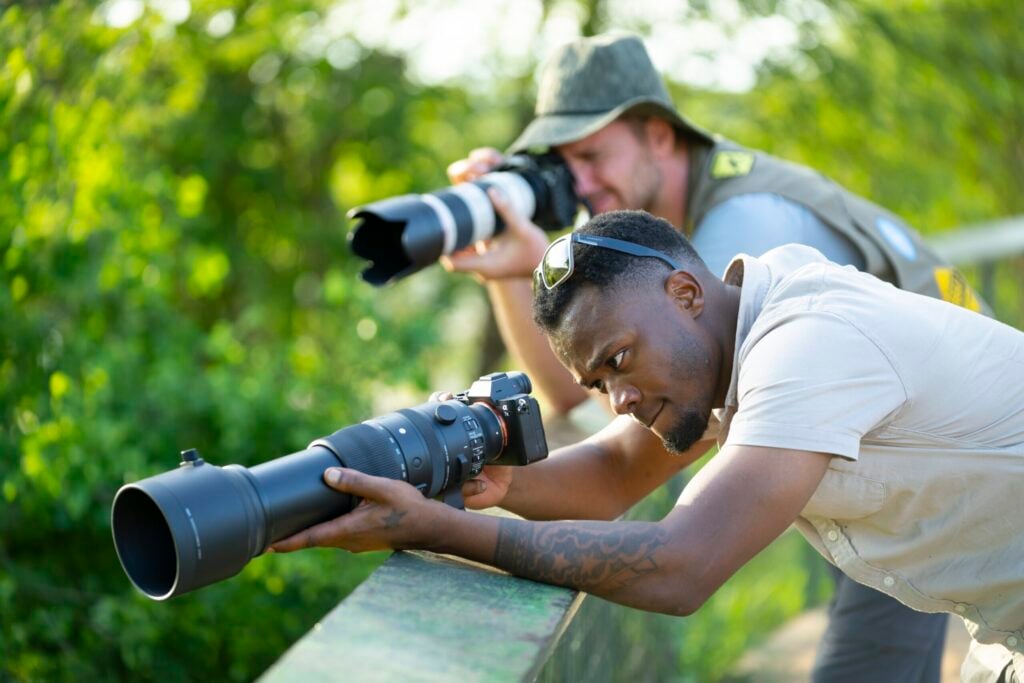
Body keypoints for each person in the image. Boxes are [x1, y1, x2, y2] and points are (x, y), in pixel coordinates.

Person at [439, 32, 988, 682]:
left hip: (945, 472)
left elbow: (637, 481)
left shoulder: (745, 233)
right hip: (891, 471)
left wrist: (440, 524)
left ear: (659, 135)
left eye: (591, 154)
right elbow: (574, 400)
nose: (581, 184)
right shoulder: (668, 262)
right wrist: (511, 269)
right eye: (564, 166)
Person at [271, 211, 1024, 683]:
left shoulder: (808, 343)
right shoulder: (728, 343)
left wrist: (443, 529)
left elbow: (681, 564)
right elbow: (611, 472)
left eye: (621, 360)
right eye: (597, 383)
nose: (619, 400)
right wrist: (493, 480)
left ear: (686, 294)